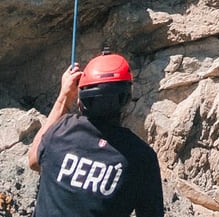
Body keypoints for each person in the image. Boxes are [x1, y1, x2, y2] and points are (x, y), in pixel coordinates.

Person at [28, 52, 164, 217]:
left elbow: (34, 161)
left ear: (81, 100)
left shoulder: (61, 130)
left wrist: (63, 98)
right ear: (126, 98)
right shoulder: (141, 158)